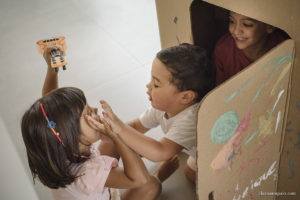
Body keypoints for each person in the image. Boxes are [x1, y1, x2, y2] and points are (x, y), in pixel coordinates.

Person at [21, 46, 161, 200]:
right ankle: (160, 172)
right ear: (71, 133)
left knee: (118, 146)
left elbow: (49, 107)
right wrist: (115, 137)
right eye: (88, 112)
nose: (95, 109)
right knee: (151, 184)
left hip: (91, 184)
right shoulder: (87, 173)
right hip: (101, 185)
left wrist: (52, 68)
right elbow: (139, 179)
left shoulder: (58, 143)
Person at [90, 43, 215, 184]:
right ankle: (98, 171)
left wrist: (120, 128)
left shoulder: (191, 119)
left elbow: (160, 152)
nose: (148, 85)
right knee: (115, 136)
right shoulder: (162, 107)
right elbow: (137, 125)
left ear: (185, 97)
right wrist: (112, 129)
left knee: (192, 175)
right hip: (194, 152)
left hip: (214, 155)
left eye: (156, 84)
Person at [213, 11, 289, 85]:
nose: (236, 31)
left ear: (270, 26)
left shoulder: (284, 49)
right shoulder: (223, 50)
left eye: (247, 24)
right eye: (232, 21)